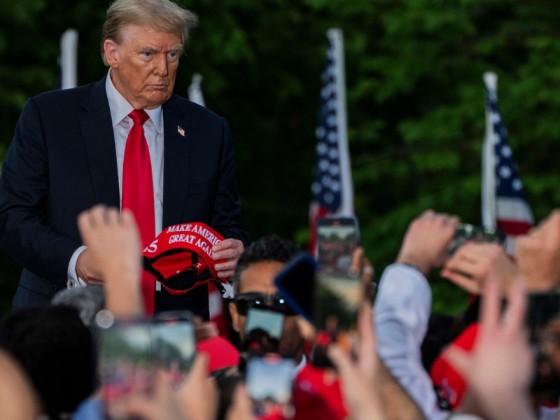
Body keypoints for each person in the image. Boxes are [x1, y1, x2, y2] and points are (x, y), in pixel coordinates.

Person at [0, 0, 249, 317]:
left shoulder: (208, 131)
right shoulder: (50, 117)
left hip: (172, 328)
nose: (163, 68)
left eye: (172, 54)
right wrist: (76, 259)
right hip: (62, 323)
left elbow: (227, 224)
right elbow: (12, 216)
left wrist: (234, 248)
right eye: (148, 54)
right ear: (111, 53)